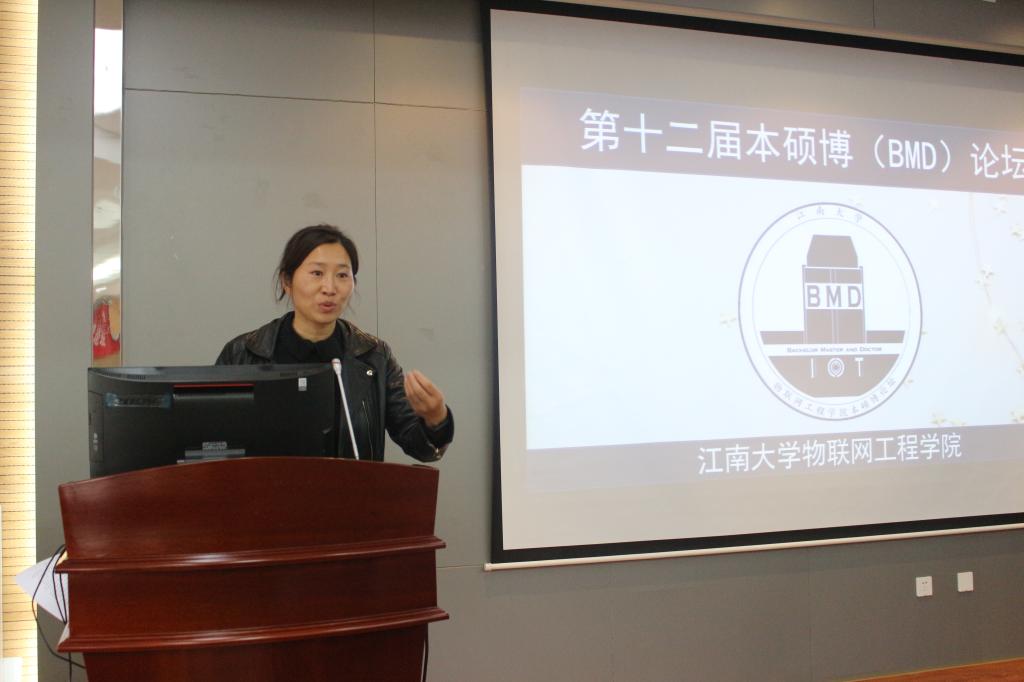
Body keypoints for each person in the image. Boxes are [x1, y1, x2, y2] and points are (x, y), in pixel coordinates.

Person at [216, 224, 453, 462]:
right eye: (317, 273)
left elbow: (420, 446)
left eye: (342, 275)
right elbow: (214, 443)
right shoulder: (242, 353)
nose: (330, 288)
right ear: (287, 281)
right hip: (264, 486)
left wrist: (436, 419)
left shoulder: (374, 357)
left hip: (351, 487)